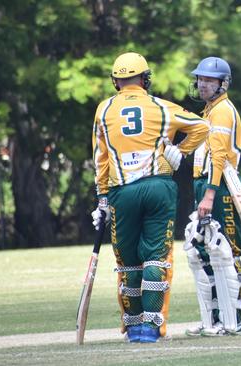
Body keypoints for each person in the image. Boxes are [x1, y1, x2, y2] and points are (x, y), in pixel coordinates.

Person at [91, 51, 209, 343]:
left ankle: (133, 329)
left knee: (129, 264)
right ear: (145, 79)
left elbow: (100, 159)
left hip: (122, 192)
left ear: (116, 82)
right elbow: (202, 127)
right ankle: (152, 328)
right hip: (158, 187)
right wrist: (179, 152)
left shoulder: (104, 110)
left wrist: (102, 198)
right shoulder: (161, 106)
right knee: (156, 258)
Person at [183, 56, 241, 337]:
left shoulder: (222, 111)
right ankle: (213, 317)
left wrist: (209, 194)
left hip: (220, 186)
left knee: (226, 250)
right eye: (200, 79)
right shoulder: (209, 110)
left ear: (223, 83)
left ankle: (235, 317)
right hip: (207, 184)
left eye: (209, 80)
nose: (202, 84)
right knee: (204, 251)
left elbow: (220, 157)